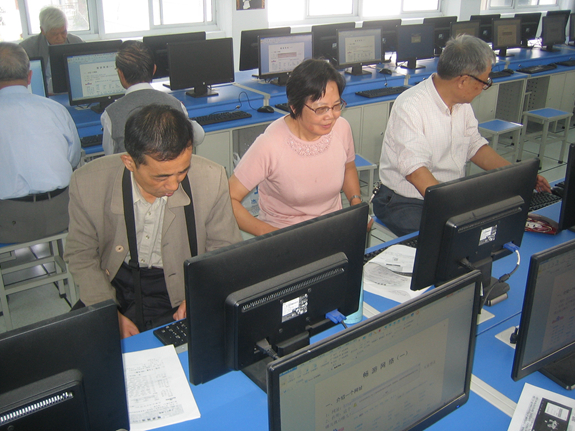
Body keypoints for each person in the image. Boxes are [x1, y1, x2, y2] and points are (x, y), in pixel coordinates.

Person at [64, 104, 242, 338]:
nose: (173, 186)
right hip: (114, 282)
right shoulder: (87, 183)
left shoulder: (212, 177)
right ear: (129, 162)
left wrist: (200, 293)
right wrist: (106, 310)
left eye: (182, 171)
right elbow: (81, 254)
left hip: (178, 284)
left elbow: (225, 249)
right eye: (162, 177)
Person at [373, 35, 551, 237]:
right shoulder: (410, 106)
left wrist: (519, 176)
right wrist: (455, 211)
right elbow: (416, 172)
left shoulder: (462, 105)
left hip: (447, 193)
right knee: (455, 239)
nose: (484, 88)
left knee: (492, 225)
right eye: (485, 81)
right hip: (403, 201)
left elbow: (474, 146)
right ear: (464, 80)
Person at [229, 58, 362, 236]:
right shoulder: (270, 145)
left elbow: (348, 166)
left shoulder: (342, 128)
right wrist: (272, 235)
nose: (331, 116)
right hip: (286, 237)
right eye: (321, 109)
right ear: (294, 107)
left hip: (333, 229)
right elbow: (229, 199)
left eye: (336, 106)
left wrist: (356, 204)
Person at [0, 42, 81, 243]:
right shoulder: (56, 110)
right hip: (63, 213)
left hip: (10, 222)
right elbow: (74, 159)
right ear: (29, 76)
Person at [101, 40, 204, 155]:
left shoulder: (110, 114)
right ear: (154, 69)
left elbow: (110, 157)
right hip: (171, 171)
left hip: (132, 172)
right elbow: (199, 136)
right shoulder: (175, 104)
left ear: (121, 74)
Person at [19, 6, 83, 94]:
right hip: (40, 95)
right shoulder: (27, 48)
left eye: (63, 32)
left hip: (69, 94)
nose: (60, 38)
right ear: (43, 30)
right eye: (54, 34)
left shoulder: (77, 43)